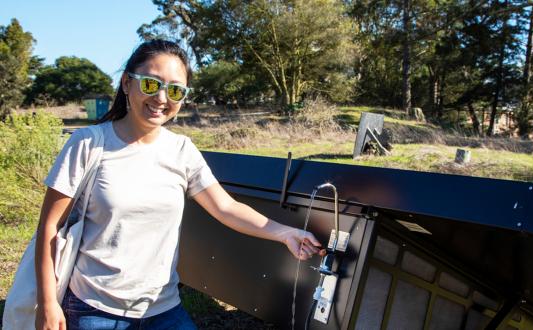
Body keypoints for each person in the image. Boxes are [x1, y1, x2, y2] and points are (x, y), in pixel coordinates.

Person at [35, 40, 322, 330]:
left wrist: (285, 233)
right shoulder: (88, 143)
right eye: (150, 84)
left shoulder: (181, 150)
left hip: (163, 308)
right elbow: (50, 227)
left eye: (174, 90)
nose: (161, 98)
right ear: (126, 83)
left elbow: (226, 207)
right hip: (95, 310)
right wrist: (48, 303)